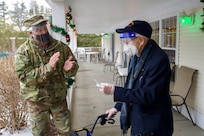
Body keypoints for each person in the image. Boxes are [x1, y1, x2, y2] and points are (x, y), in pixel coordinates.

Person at [97, 20, 173, 136]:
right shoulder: (136, 57)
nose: (125, 46)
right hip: (137, 118)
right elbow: (131, 87)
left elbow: (147, 95)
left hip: (152, 123)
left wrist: (114, 90)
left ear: (141, 40)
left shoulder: (158, 60)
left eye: (127, 42)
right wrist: (117, 107)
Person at [14, 15, 79, 136]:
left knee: (65, 131)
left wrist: (69, 69)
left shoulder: (61, 47)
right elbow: (25, 77)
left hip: (58, 99)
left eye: (44, 28)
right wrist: (48, 67)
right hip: (37, 101)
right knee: (40, 132)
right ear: (31, 33)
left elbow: (73, 68)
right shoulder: (23, 52)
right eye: (39, 30)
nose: (43, 32)